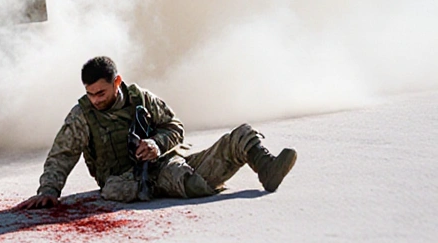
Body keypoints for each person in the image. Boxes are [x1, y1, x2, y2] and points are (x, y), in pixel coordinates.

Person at [15, 56, 297, 208]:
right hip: (128, 179)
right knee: (186, 181)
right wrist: (49, 191)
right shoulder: (82, 115)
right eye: (90, 94)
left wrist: (156, 144)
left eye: (101, 93)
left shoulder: (142, 99)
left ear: (117, 82)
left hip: (167, 158)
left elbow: (175, 127)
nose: (96, 100)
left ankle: (267, 167)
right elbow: (62, 154)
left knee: (242, 134)